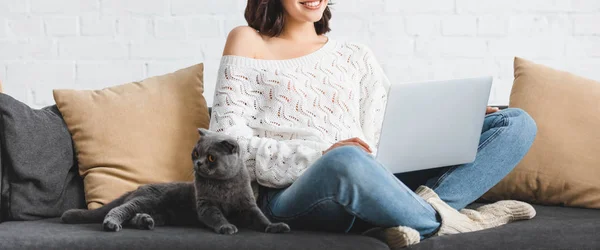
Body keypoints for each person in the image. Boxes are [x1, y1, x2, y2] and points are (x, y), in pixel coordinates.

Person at [208, 0, 538, 248]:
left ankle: (402, 219)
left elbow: (385, 126)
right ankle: (464, 221)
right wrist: (320, 155)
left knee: (516, 122)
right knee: (346, 159)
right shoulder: (247, 40)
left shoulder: (356, 55)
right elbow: (224, 146)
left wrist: (458, 120)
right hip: (291, 195)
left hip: (374, 176)